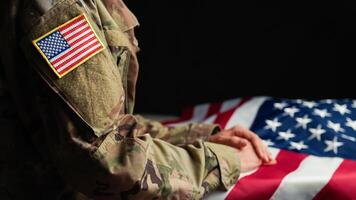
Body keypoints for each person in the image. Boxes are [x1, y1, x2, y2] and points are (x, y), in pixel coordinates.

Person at [0, 0, 275, 199]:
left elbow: (101, 124)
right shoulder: (57, 13)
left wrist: (192, 137)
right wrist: (221, 161)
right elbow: (105, 158)